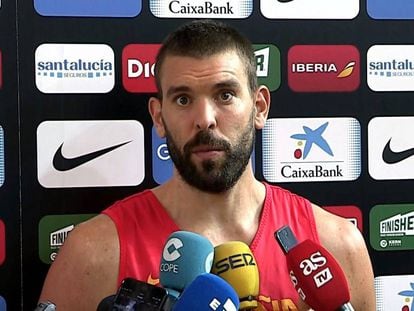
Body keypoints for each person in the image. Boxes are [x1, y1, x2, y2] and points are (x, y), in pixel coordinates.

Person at [38, 20, 376, 310]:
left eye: (225, 95)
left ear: (259, 107)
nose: (204, 119)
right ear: (158, 116)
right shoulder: (94, 253)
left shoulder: (336, 245)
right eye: (183, 99)